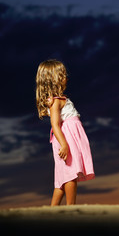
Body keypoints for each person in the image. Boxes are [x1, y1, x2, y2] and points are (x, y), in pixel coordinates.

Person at [36, 59, 95, 206]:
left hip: (69, 138)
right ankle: (70, 207)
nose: (66, 78)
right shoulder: (56, 101)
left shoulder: (62, 99)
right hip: (66, 139)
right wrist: (64, 144)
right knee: (70, 174)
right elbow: (55, 125)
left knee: (62, 178)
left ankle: (52, 210)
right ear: (53, 79)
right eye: (62, 75)